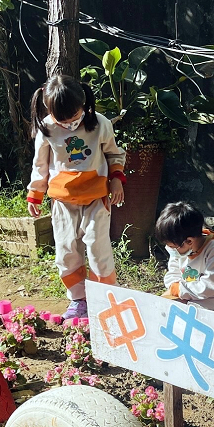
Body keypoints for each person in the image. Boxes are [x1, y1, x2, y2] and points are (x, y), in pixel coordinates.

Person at [27, 74, 126, 320]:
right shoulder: (46, 129)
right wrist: (35, 194)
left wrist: (116, 179)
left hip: (97, 198)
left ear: (83, 104)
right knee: (66, 250)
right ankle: (78, 300)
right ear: (49, 110)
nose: (69, 123)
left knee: (97, 247)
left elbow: (115, 154)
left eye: (73, 117)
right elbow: (40, 166)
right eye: (62, 119)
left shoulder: (100, 124)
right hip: (62, 201)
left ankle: (104, 298)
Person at [157, 202, 214, 315]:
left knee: (196, 313)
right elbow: (174, 273)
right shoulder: (180, 248)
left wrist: (180, 291)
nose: (169, 250)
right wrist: (175, 288)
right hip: (192, 290)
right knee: (163, 306)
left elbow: (210, 287)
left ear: (189, 241)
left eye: (172, 247)